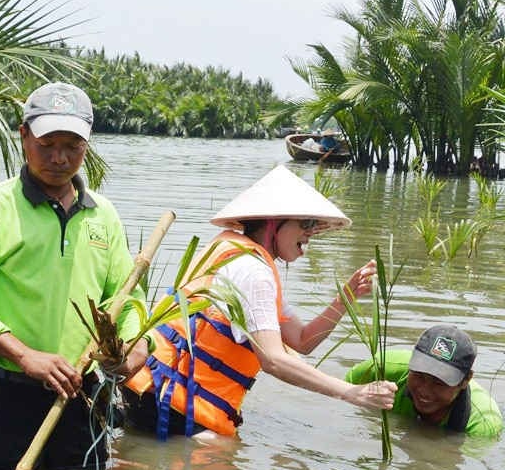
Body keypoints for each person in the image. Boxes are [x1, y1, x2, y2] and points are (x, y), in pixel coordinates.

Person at [0, 81, 149, 470]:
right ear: (23, 137)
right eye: (47, 143)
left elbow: (128, 298)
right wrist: (25, 356)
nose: (59, 157)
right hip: (6, 394)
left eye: (72, 146)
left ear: (87, 146)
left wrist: (136, 347)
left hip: (82, 399)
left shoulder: (103, 215)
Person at [123, 165, 397, 440]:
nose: (311, 232)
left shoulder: (233, 253)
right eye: (305, 223)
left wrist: (344, 299)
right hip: (176, 408)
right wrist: (352, 392)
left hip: (149, 389)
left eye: (313, 225)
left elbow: (302, 340)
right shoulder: (252, 271)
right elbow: (274, 360)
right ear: (272, 222)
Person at [346, 325, 503, 438]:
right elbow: (339, 395)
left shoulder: (481, 425)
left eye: (439, 383)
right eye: (419, 375)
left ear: (465, 380)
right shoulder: (382, 368)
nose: (424, 390)